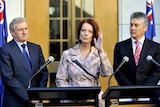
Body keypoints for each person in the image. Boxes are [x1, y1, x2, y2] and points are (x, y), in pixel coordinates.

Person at [55, 18, 113, 107]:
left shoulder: (98, 54)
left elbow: (107, 73)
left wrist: (101, 49)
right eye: (83, 30)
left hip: (94, 99)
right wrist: (70, 94)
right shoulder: (68, 54)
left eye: (90, 31)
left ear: (94, 35)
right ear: (79, 33)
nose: (86, 34)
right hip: (72, 99)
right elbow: (60, 79)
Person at [0, 17, 48, 107]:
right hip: (15, 101)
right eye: (20, 30)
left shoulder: (36, 48)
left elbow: (43, 72)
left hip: (36, 101)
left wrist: (38, 94)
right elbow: (8, 78)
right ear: (12, 33)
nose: (24, 32)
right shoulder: (5, 50)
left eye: (26, 29)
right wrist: (28, 97)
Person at [113, 12, 160, 103]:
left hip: (149, 94)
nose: (132, 28)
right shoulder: (120, 46)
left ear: (145, 28)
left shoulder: (155, 47)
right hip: (126, 93)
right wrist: (132, 90)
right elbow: (118, 71)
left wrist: (143, 91)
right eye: (131, 25)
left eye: (136, 25)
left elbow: (157, 71)